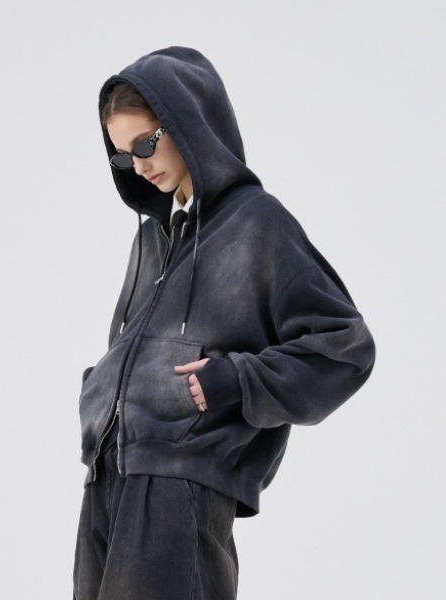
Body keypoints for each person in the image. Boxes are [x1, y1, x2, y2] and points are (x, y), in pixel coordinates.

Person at [73, 46, 375, 600]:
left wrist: (236, 380)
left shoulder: (257, 224)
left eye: (145, 145)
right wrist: (100, 389)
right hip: (106, 481)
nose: (139, 166)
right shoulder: (151, 241)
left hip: (178, 491)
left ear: (188, 124)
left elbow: (345, 347)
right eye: (122, 156)